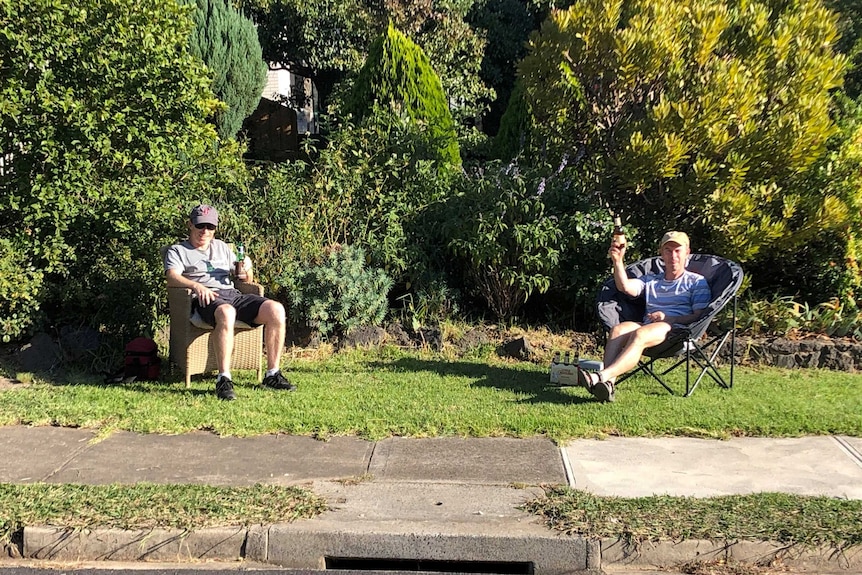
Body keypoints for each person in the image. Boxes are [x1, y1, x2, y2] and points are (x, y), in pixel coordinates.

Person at [164, 204, 296, 401]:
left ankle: (272, 374)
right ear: (190, 225)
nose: (205, 231)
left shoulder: (222, 248)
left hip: (232, 294)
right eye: (200, 226)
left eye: (210, 227)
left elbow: (246, 279)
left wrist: (245, 272)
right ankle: (224, 379)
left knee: (276, 309)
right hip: (205, 298)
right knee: (226, 312)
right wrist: (196, 286)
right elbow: (172, 277)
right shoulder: (178, 250)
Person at [578, 230, 711, 402]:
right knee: (618, 329)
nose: (673, 255)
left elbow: (699, 316)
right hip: (648, 326)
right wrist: (617, 261)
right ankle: (608, 385)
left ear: (687, 253)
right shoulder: (652, 280)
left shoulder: (696, 282)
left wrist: (670, 318)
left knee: (641, 333)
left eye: (678, 250)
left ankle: (600, 376)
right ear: (661, 253)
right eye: (668, 250)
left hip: (676, 331)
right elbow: (625, 287)